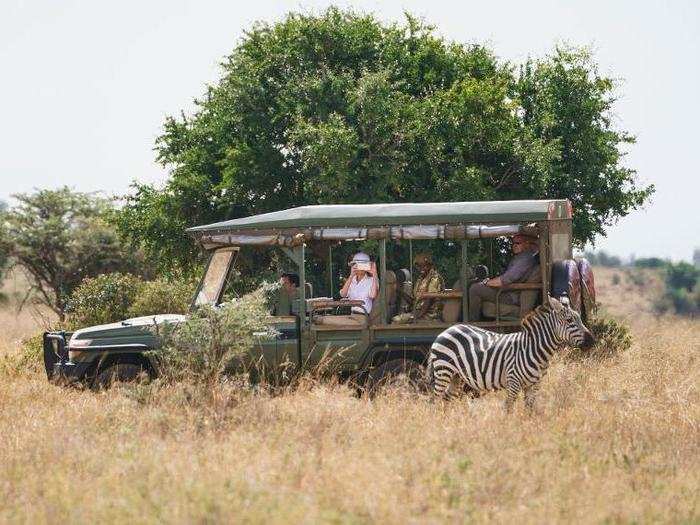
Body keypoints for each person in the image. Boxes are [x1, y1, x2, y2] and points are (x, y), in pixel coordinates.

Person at [468, 233, 539, 321]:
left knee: (475, 289)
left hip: (509, 295)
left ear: (527, 244)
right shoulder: (521, 257)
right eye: (513, 243)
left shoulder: (525, 258)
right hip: (507, 292)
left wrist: (486, 282)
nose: (514, 245)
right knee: (476, 286)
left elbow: (506, 279)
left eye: (518, 243)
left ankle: (472, 323)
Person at [318, 252, 378, 325]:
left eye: (363, 264)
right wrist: (351, 275)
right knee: (323, 318)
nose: (360, 267)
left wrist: (374, 274)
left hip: (363, 318)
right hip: (352, 315)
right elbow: (343, 294)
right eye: (357, 264)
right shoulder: (352, 280)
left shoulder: (371, 280)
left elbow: (372, 295)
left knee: (323, 320)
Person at [392, 253, 445, 324]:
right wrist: (399, 291)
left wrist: (416, 317)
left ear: (430, 265)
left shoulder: (434, 278)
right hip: (418, 311)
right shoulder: (420, 279)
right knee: (396, 318)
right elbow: (414, 301)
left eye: (424, 266)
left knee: (396, 321)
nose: (421, 269)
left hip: (431, 314)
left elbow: (429, 299)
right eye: (419, 266)